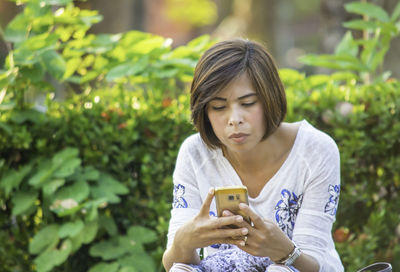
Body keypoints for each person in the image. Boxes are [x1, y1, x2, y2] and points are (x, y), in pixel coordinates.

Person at [162, 39, 344, 272]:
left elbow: (314, 261)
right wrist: (184, 241)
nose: (234, 119)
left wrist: (285, 251)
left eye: (247, 103)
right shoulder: (195, 154)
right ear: (204, 111)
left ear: (270, 99)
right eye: (218, 107)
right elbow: (173, 264)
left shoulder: (315, 151)